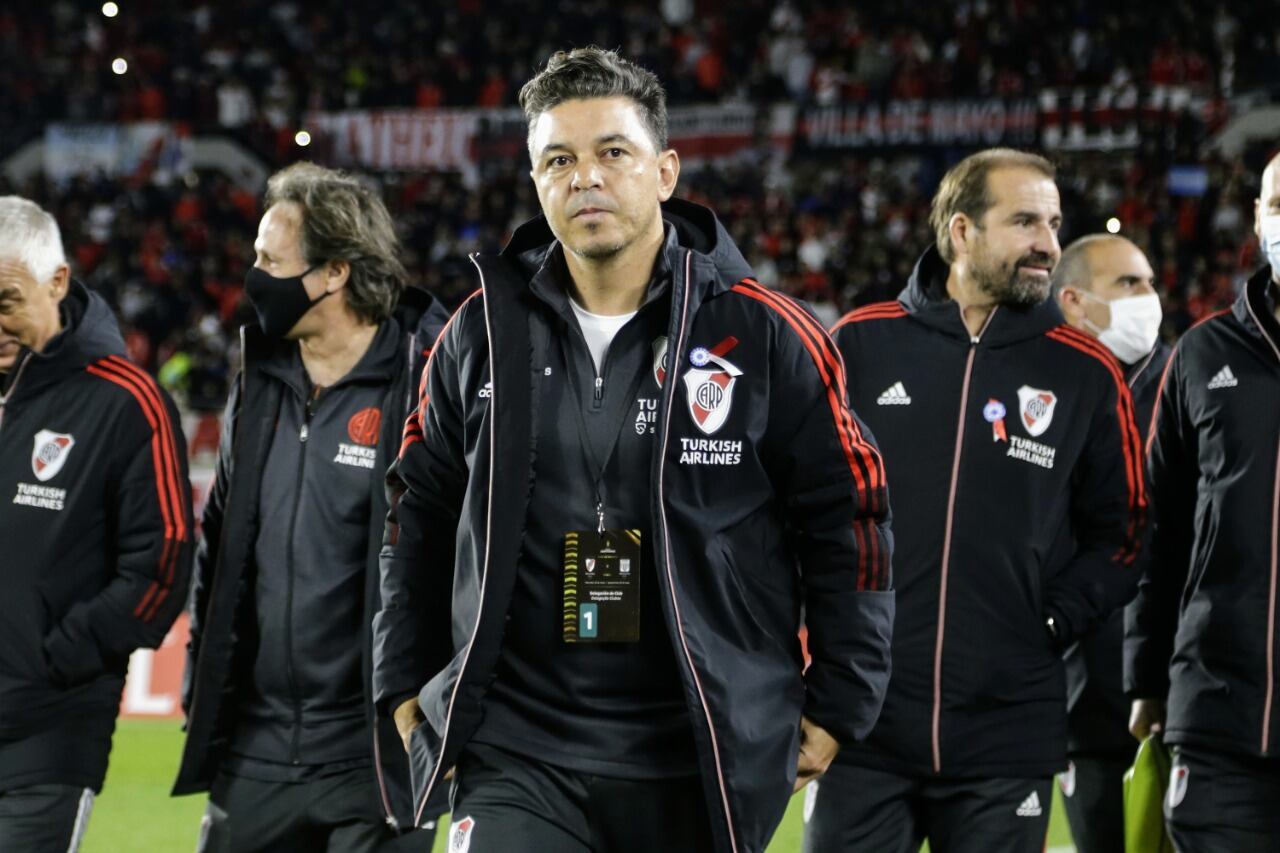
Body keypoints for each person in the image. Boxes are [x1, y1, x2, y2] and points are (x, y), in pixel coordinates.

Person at [373, 47, 894, 853]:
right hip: (518, 746)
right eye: (559, 159)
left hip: (697, 750)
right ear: (537, 182)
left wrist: (840, 700)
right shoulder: (477, 335)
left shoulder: (764, 333)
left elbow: (848, 521)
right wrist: (404, 681)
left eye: (612, 152)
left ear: (665, 171)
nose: (585, 177)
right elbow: (418, 512)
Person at [808, 149, 1147, 853]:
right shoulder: (860, 343)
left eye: (1053, 224)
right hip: (864, 727)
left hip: (1007, 731)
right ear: (961, 232)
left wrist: (1050, 617)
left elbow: (1124, 534)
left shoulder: (1085, 373)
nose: (1048, 244)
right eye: (1024, 221)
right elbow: (801, 511)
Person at [173, 163, 448, 851]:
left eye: (270, 260)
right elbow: (220, 547)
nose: (253, 275)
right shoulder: (257, 385)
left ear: (332, 273)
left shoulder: (428, 384)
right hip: (255, 756)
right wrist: (198, 679)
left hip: (375, 760)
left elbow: (463, 559)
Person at [0, 195, 193, 852]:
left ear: (57, 282)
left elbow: (163, 562)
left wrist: (59, 658)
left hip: (44, 737)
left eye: (6, 302)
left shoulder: (127, 401)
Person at [1126, 151, 1280, 851]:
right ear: (1257, 219)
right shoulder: (1201, 352)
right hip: (1216, 719)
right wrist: (1145, 677)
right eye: (1279, 205)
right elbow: (1159, 531)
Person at [1050, 234, 1171, 853]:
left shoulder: (1189, 382)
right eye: (1127, 285)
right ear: (1073, 301)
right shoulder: (1040, 397)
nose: (1147, 298)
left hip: (1182, 693)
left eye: (1149, 282)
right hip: (1083, 697)